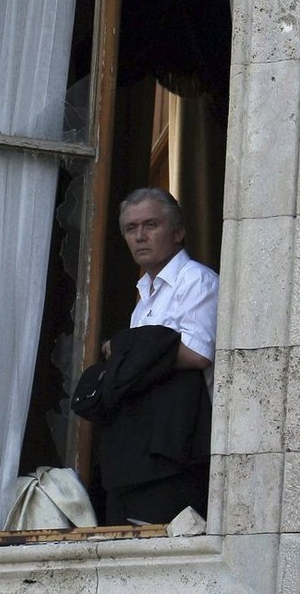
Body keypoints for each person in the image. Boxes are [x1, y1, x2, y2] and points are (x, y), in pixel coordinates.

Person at [97, 187, 219, 525]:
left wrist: (125, 352)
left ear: (178, 231)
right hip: (144, 446)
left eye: (151, 225)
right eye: (130, 228)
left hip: (182, 447)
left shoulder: (195, 280)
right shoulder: (145, 294)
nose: (140, 236)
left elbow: (197, 353)